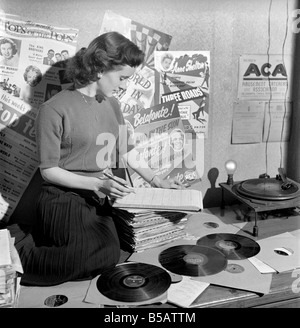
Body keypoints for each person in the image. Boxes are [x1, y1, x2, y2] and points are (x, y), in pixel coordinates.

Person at [17, 32, 182, 286]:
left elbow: (126, 151)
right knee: (81, 258)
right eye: (122, 78)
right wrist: (96, 184)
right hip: (63, 197)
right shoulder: (53, 109)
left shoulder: (113, 105)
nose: (124, 85)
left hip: (98, 196)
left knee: (110, 253)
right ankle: (16, 250)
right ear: (99, 68)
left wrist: (158, 180)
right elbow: (48, 171)